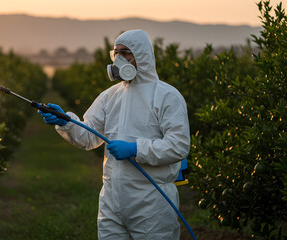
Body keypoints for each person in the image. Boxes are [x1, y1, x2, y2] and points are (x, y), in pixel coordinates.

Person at [39, 29, 190, 240]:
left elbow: (178, 146)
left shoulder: (167, 96)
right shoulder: (109, 96)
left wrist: (136, 149)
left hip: (151, 202)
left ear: (143, 55)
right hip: (112, 201)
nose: (119, 59)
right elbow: (89, 136)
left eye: (126, 53)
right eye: (116, 53)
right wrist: (67, 122)